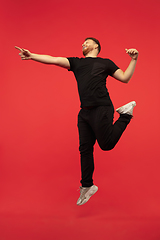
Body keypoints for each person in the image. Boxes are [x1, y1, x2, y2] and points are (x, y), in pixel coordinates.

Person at [15, 38, 138, 205]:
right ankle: (87, 185)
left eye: (87, 42)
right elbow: (54, 59)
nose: (83, 44)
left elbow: (124, 78)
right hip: (84, 113)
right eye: (82, 43)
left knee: (107, 145)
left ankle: (125, 116)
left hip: (102, 107)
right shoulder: (76, 63)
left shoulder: (105, 63)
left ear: (96, 46)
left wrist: (134, 59)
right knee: (85, 150)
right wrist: (32, 56)